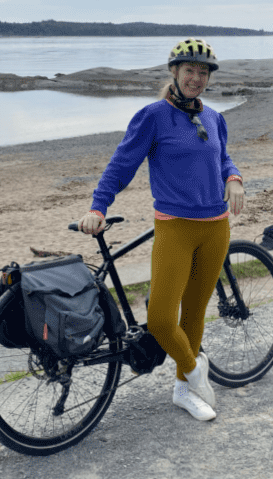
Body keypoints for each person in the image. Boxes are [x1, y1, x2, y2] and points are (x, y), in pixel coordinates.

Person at [79, 38, 244, 423]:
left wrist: (233, 177)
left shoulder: (214, 117)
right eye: (190, 70)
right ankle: (194, 371)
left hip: (215, 227)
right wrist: (98, 206)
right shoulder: (153, 116)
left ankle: (183, 391)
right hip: (175, 228)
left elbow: (222, 156)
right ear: (175, 72)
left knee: (196, 313)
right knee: (161, 320)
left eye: (203, 72)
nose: (197, 78)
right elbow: (122, 165)